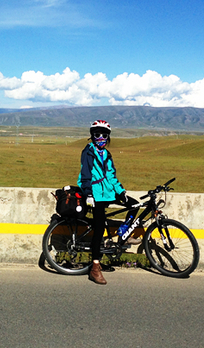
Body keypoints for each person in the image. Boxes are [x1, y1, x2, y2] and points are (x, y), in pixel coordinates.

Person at [78, 120, 139, 285]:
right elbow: (85, 174)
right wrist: (88, 193)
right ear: (92, 135)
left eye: (104, 135)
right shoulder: (88, 152)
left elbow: (111, 176)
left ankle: (123, 235)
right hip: (95, 194)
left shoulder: (107, 155)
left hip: (109, 191)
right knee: (99, 230)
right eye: (97, 134)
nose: (101, 137)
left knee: (134, 205)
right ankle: (95, 268)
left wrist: (121, 192)